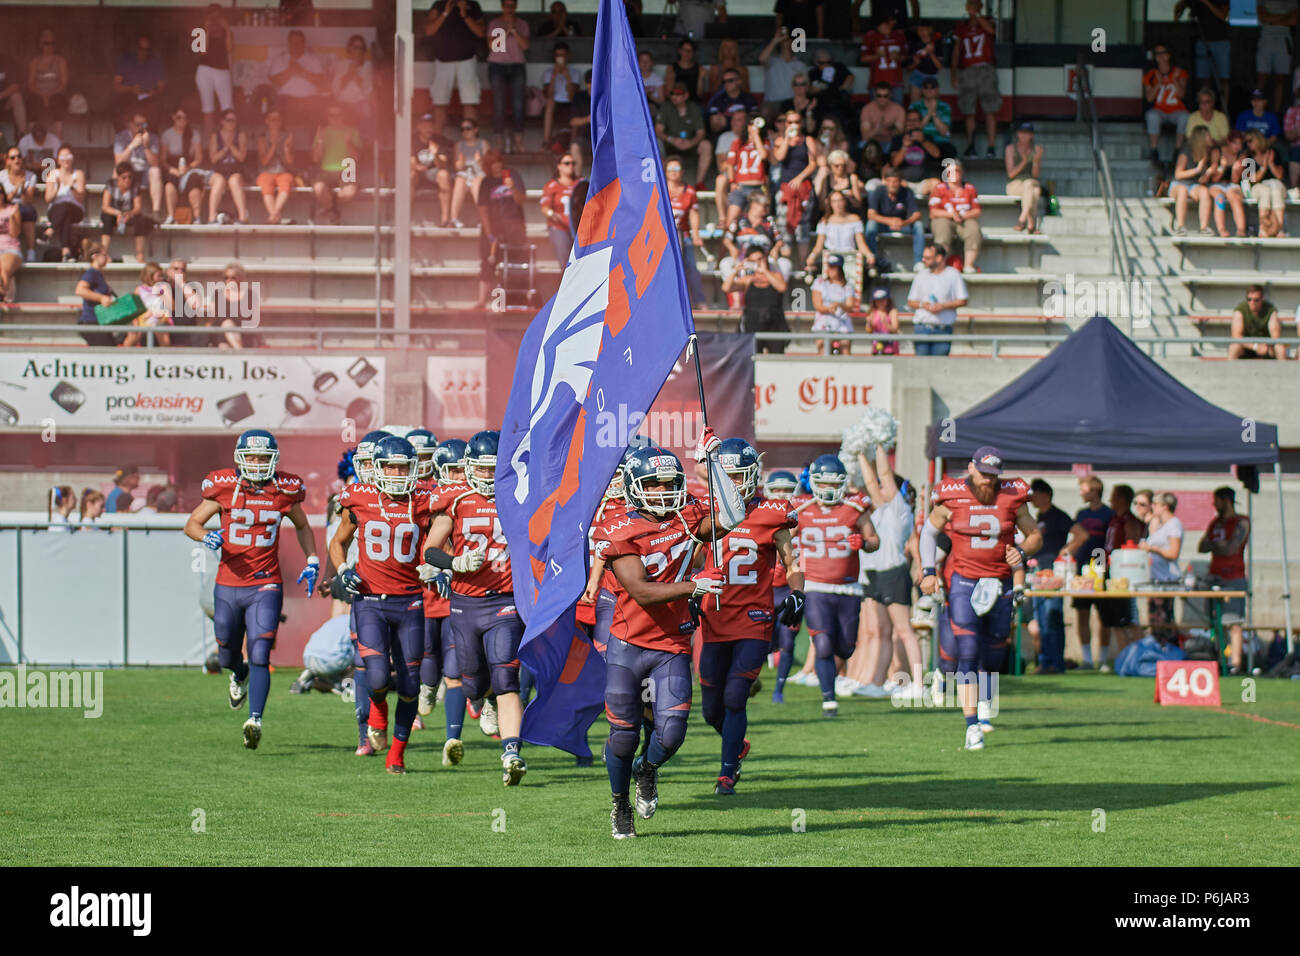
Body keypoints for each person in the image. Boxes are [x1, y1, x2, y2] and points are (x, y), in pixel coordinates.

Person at [599, 440, 735, 837]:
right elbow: (641, 591)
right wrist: (695, 586)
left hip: (671, 643)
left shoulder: (687, 514)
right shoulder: (619, 526)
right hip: (628, 643)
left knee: (672, 734)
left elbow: (732, 514)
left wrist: (713, 464)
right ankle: (620, 804)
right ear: (635, 486)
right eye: (654, 485)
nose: (663, 491)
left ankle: (647, 768)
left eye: (669, 483)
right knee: (623, 734)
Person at [421, 431, 528, 785]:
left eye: (492, 468)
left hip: (505, 599)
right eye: (481, 469)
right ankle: (488, 702)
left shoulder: (520, 495)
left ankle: (511, 752)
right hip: (466, 602)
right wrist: (455, 563)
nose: (486, 475)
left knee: (506, 677)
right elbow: (431, 550)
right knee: (472, 684)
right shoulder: (455, 498)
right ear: (468, 468)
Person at [698, 439, 803, 794]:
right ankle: (737, 744)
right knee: (710, 710)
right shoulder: (706, 514)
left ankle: (727, 774)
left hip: (754, 619)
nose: (733, 486)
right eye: (726, 478)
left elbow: (792, 562)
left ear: (753, 476)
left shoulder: (772, 511)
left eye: (738, 477)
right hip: (715, 617)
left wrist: (798, 592)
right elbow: (694, 560)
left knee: (735, 695)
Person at [920, 447, 1041, 749]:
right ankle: (972, 724)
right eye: (984, 474)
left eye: (993, 476)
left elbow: (1034, 534)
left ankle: (986, 703)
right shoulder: (951, 494)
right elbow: (928, 533)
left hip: (1000, 580)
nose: (988, 482)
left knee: (995, 648)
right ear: (971, 469)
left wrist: (1023, 551)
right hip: (962, 579)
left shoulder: (1013, 494)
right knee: (969, 649)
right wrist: (927, 570)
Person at [328, 436, 433, 773]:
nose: (398, 472)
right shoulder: (358, 498)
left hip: (410, 602)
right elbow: (338, 542)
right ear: (378, 467)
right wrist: (343, 570)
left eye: (404, 465)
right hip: (370, 600)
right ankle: (376, 713)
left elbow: (443, 533)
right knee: (375, 677)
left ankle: (397, 754)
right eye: (391, 465)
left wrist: (440, 567)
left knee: (410, 683)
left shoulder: (424, 501)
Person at [796, 454, 880, 717]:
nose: (829, 489)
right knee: (822, 643)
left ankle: (831, 680)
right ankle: (828, 699)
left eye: (834, 484)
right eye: (824, 483)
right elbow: (782, 538)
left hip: (848, 588)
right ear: (814, 482)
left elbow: (874, 539)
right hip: (815, 586)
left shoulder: (855, 507)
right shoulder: (800, 507)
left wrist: (863, 544)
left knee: (846, 647)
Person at [856, 444, 923, 698]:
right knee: (883, 632)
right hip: (876, 575)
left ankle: (917, 684)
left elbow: (882, 475)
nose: (879, 490)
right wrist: (858, 452)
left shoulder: (900, 509)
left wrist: (880, 445)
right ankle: (876, 682)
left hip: (894, 573)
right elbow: (871, 480)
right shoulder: (880, 509)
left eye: (886, 487)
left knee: (904, 631)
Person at [1198, 486, 1251, 673]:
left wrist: (1217, 546)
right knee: (1216, 622)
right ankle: (1220, 660)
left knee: (1233, 622)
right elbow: (1201, 546)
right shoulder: (1215, 523)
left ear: (1226, 500)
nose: (1214, 505)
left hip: (1233, 577)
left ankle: (1236, 663)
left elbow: (1231, 549)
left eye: (1217, 501)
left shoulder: (1241, 522)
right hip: (1214, 577)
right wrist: (1217, 545)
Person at [1063, 475, 1113, 669]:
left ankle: (1103, 659)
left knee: (1103, 617)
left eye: (1084, 489)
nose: (1081, 493)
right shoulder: (1081, 514)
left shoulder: (1108, 514)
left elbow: (1110, 542)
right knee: (1082, 614)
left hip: (1100, 566)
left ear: (1094, 491)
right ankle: (1087, 659)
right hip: (1082, 568)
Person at [1026, 479, 1073, 674]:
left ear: (1045, 495)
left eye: (1034, 493)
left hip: (1053, 574)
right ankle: (1045, 662)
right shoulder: (1038, 517)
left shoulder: (1058, 516)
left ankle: (1056, 662)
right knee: (1041, 619)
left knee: (1052, 617)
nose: (1031, 498)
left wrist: (1064, 552)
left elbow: (1081, 534)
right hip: (1038, 573)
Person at [1098, 484, 1146, 668]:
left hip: (1123, 576)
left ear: (1123, 499)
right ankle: (1124, 659)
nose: (1111, 500)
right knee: (1113, 621)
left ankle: (1134, 659)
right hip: (1109, 572)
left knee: (1127, 619)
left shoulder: (1130, 521)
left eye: (1114, 496)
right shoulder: (1114, 520)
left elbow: (1131, 547)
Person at [474, 150, 525, 309]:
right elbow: (482, 209)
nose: (497, 166)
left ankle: (509, 301)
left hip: (513, 225)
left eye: (498, 162)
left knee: (511, 264)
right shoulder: (486, 182)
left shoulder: (513, 175)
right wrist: (489, 234)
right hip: (493, 227)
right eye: (493, 163)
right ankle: (482, 301)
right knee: (487, 262)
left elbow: (521, 199)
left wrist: (513, 188)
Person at [952, 0, 1000, 158]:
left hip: (985, 69)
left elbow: (991, 31)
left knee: (990, 109)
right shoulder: (962, 26)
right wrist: (954, 73)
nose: (971, 7)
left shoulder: (987, 21)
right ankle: (970, 145)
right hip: (967, 70)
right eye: (969, 4)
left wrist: (977, 15)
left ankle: (991, 147)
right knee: (968, 110)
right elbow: (957, 50)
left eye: (975, 4)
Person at [805, 189, 875, 293]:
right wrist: (812, 256)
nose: (837, 204)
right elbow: (819, 246)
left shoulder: (855, 219)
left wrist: (869, 254)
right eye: (834, 201)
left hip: (850, 259)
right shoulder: (825, 221)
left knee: (853, 284)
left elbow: (861, 244)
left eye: (840, 201)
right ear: (830, 203)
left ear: (845, 202)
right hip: (831, 259)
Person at [772, 109, 820, 254]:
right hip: (785, 187)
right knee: (783, 223)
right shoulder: (780, 140)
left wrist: (800, 178)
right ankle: (785, 260)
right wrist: (787, 138)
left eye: (797, 121)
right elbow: (779, 157)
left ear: (802, 123)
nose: (794, 125)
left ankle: (802, 265)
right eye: (790, 122)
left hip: (803, 186)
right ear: (785, 124)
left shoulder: (808, 140)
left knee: (803, 227)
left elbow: (813, 163)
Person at [905, 242, 967, 355]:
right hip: (922, 328)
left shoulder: (953, 274)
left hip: (943, 329)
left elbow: (963, 300)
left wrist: (943, 306)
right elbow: (910, 301)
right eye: (923, 257)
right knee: (921, 368)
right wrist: (924, 305)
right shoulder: (920, 275)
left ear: (939, 258)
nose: (923, 260)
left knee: (938, 368)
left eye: (927, 258)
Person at [725, 244, 789, 352]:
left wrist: (765, 271)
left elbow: (782, 287)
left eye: (760, 259)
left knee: (776, 359)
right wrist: (736, 270)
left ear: (765, 258)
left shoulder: (776, 275)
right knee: (752, 359)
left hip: (774, 323)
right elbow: (727, 287)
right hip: (753, 323)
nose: (758, 262)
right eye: (754, 260)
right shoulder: (749, 279)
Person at [1139, 492, 1183, 642]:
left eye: (1156, 504)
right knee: (1155, 620)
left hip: (1166, 581)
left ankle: (1169, 653)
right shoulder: (1162, 525)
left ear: (1165, 506)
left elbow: (1173, 553)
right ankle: (1158, 652)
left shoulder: (1174, 525)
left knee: (1163, 620)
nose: (1152, 507)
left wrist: (1151, 549)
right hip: (1156, 580)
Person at [487, 0, 529, 154]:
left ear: (516, 6)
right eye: (507, 5)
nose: (509, 9)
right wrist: (507, 30)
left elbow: (525, 45)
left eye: (512, 6)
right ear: (502, 6)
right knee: (499, 105)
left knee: (518, 105)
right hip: (497, 66)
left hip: (517, 65)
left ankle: (518, 142)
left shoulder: (522, 24)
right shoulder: (495, 23)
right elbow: (493, 45)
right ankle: (498, 142)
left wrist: (515, 30)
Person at [665, 156, 707, 308]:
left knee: (691, 267)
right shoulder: (660, 189)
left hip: (683, 234)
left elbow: (694, 214)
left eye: (676, 169)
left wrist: (696, 234)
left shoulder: (689, 191)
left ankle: (699, 301)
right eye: (670, 169)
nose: (673, 173)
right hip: (663, 237)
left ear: (682, 172)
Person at [1174, 0, 1231, 111]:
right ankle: (1205, 109)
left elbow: (1223, 15)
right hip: (1202, 41)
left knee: (1224, 79)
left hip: (1221, 41)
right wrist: (1176, 18)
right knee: (1204, 80)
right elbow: (1179, 6)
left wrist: (1206, 2)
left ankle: (1225, 111)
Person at [310, 105, 361, 226]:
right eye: (332, 115)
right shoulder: (322, 132)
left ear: (344, 116)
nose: (335, 118)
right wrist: (321, 140)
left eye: (338, 115)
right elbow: (315, 158)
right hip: (325, 171)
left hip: (347, 168)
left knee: (348, 193)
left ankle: (329, 208)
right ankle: (333, 211)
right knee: (319, 189)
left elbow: (356, 158)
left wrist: (349, 143)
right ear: (327, 117)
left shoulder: (352, 131)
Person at [929, 159, 982, 273]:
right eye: (950, 171)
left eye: (957, 170)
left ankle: (968, 265)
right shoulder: (939, 188)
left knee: (973, 230)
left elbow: (977, 210)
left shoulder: (969, 188)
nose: (954, 174)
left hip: (964, 218)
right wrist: (951, 214)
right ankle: (940, 265)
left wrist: (964, 215)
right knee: (942, 230)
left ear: (962, 172)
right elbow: (933, 212)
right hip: (944, 217)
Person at [866, 166, 924, 270]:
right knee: (871, 225)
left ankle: (918, 262)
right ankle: (872, 260)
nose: (892, 185)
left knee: (918, 225)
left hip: (901, 225)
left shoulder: (906, 192)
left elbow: (917, 214)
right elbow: (871, 214)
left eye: (895, 182)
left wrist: (904, 222)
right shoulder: (878, 191)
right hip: (883, 224)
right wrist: (890, 221)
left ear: (900, 182)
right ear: (885, 181)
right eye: (889, 181)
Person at [269, 29, 328, 128]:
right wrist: (289, 71)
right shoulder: (280, 59)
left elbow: (321, 81)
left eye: (298, 42)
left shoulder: (313, 59)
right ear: (288, 44)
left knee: (318, 106)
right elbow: (274, 82)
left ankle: (314, 141)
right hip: (286, 99)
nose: (295, 45)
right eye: (292, 42)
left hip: (310, 99)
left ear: (304, 43)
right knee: (279, 104)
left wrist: (302, 72)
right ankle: (283, 139)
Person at [656, 84, 712, 187]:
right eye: (672, 94)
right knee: (656, 144)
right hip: (670, 144)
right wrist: (671, 140)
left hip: (689, 143)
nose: (674, 96)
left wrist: (691, 143)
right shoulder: (666, 107)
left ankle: (699, 183)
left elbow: (701, 133)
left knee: (706, 145)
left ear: (686, 96)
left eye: (678, 94)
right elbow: (658, 131)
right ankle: (662, 184)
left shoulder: (694, 108)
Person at [113, 111, 164, 222]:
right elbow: (118, 163)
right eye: (138, 124)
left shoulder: (152, 137)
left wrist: (146, 147)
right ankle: (116, 209)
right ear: (130, 124)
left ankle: (156, 211)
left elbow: (155, 163)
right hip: (129, 173)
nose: (141, 127)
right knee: (115, 172)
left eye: (144, 125)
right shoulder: (120, 137)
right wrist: (132, 146)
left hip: (146, 173)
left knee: (156, 171)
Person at [160, 108, 209, 225]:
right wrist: (172, 169)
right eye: (179, 117)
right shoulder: (167, 134)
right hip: (172, 167)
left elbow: (198, 158)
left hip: (189, 166)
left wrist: (188, 168)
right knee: (169, 181)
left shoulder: (193, 133)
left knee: (194, 180)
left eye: (185, 118)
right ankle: (171, 216)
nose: (182, 121)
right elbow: (162, 159)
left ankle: (197, 217)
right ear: (173, 117)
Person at [1144, 45, 1189, 163]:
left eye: (1163, 53)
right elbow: (1149, 98)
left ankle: (1178, 150)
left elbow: (1182, 94)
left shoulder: (1179, 72)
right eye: (1157, 54)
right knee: (1151, 115)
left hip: (1176, 110)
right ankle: (1154, 150)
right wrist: (1158, 83)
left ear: (1169, 55)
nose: (1161, 56)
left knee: (1185, 116)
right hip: (1159, 111)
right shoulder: (1151, 74)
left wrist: (1174, 80)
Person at [1169, 126, 1217, 236]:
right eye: (1208, 135)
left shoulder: (1207, 152)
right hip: (1179, 184)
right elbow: (1178, 174)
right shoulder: (1186, 150)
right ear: (1202, 137)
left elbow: (1202, 179)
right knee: (1182, 191)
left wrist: (1207, 173)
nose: (1211, 138)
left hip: (1194, 185)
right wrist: (1197, 170)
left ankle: (1204, 228)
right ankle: (1180, 226)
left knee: (1204, 192)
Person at [195, 5, 235, 137]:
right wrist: (206, 29)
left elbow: (230, 50)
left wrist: (227, 29)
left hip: (222, 70)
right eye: (212, 15)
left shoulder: (226, 30)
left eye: (217, 15)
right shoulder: (200, 30)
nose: (215, 19)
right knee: (208, 106)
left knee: (227, 106)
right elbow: (203, 51)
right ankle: (211, 137)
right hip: (205, 70)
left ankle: (227, 136)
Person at [101, 164, 153, 263]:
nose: (127, 180)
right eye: (124, 177)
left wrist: (129, 214)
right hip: (113, 214)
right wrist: (118, 213)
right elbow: (105, 207)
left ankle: (140, 254)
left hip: (129, 215)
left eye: (130, 177)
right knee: (106, 218)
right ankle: (104, 253)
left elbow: (137, 208)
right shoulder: (111, 184)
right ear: (118, 177)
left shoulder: (135, 186)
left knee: (140, 220)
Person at [112, 33, 166, 127]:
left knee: (157, 106)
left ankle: (150, 138)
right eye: (141, 48)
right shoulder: (125, 60)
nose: (143, 52)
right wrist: (130, 89)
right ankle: (124, 138)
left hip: (148, 99)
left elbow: (161, 87)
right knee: (118, 106)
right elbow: (116, 86)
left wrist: (154, 92)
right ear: (136, 48)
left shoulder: (156, 61)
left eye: (146, 50)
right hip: (128, 97)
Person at [887, 109, 943, 198]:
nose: (912, 123)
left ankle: (934, 211)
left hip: (923, 183)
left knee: (936, 183)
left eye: (915, 120)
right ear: (905, 122)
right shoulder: (898, 139)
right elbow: (894, 163)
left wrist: (923, 141)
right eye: (909, 120)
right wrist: (904, 146)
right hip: (903, 182)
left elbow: (936, 154)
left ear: (921, 123)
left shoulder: (927, 137)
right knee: (894, 183)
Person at [1242, 130, 1287, 237]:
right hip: (1257, 187)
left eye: (1250, 141)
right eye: (1246, 142)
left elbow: (1280, 175)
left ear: (1258, 139)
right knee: (1265, 191)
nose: (1248, 144)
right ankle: (1263, 229)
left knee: (1276, 190)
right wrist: (1263, 167)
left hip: (1275, 184)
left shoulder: (1273, 152)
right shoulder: (1248, 156)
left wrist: (1271, 164)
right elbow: (1251, 179)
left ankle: (1280, 229)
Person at [810, 253, 857, 354]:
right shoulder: (819, 282)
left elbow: (850, 306)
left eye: (833, 267)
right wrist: (828, 309)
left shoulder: (848, 285)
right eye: (829, 266)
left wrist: (839, 305)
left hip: (842, 322)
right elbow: (817, 304)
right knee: (823, 352)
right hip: (824, 322)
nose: (830, 269)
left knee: (846, 352)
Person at [208, 109, 250, 225]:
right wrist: (225, 147)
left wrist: (231, 145)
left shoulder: (241, 135)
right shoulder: (215, 136)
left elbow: (242, 157)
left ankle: (242, 217)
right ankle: (211, 217)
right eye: (228, 120)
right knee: (219, 181)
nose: (231, 123)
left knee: (234, 181)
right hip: (219, 170)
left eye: (234, 121)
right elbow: (213, 159)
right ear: (222, 121)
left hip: (236, 170)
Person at [411, 112, 454, 225]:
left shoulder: (440, 140)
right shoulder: (412, 140)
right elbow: (411, 163)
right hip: (418, 173)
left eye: (430, 126)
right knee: (410, 175)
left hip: (433, 173)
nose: (428, 129)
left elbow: (443, 165)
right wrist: (418, 168)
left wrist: (435, 154)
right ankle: (406, 215)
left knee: (444, 175)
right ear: (418, 127)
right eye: (425, 126)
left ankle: (445, 219)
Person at [44, 145, 85, 261]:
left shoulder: (79, 174)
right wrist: (57, 187)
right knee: (65, 213)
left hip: (76, 210)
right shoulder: (52, 174)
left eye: (68, 156)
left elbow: (81, 198)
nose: (66, 159)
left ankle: (50, 230)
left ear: (73, 158)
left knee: (67, 205)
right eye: (62, 156)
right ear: (57, 159)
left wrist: (72, 187)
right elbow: (48, 198)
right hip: (56, 211)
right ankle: (66, 251)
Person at [255, 109, 295, 225]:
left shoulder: (287, 136)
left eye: (278, 119)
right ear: (267, 121)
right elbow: (264, 162)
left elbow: (291, 162)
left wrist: (287, 149)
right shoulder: (262, 138)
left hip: (284, 171)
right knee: (266, 184)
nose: (275, 122)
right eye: (272, 119)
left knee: (286, 183)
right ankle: (276, 216)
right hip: (266, 171)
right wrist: (273, 145)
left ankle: (273, 215)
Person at [27, 28, 68, 138]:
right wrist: (42, 95)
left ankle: (59, 136)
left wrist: (50, 94)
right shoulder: (35, 61)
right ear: (41, 44)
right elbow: (30, 84)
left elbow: (64, 83)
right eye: (46, 43)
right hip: (38, 94)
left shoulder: (60, 61)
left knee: (60, 101)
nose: (49, 46)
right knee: (31, 101)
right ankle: (32, 136)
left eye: (52, 43)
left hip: (55, 93)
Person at [1257, 1, 1297, 114]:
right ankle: (1258, 109)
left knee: (1280, 79)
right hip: (1266, 37)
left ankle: (1276, 113)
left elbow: (1293, 20)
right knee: (1261, 76)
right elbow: (1261, 16)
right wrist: (1283, 17)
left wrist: (1271, 19)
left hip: (1284, 39)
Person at [448, 116, 487, 228]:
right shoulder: (459, 145)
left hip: (479, 173)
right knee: (459, 182)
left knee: (477, 184)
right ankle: (454, 218)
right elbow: (457, 167)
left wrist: (480, 161)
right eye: (463, 129)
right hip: (465, 173)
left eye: (468, 128)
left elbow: (488, 166)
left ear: (475, 129)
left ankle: (483, 219)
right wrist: (460, 162)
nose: (465, 131)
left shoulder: (483, 144)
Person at [858, 13, 907, 103]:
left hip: (896, 81)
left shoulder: (899, 35)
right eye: (887, 24)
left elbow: (906, 57)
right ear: (879, 25)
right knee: (877, 110)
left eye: (892, 22)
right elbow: (863, 59)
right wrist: (877, 56)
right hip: (877, 81)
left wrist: (898, 57)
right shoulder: (871, 36)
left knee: (897, 109)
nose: (890, 25)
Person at [1004, 121, 1044, 233]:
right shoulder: (1010, 149)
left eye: (1027, 132)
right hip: (1015, 184)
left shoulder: (1037, 150)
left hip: (1031, 181)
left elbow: (1036, 175)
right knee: (1034, 192)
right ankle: (1031, 224)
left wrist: (1035, 161)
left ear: (1031, 135)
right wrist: (1024, 161)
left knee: (1030, 184)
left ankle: (1022, 219)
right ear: (1017, 133)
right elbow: (1011, 174)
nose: (1024, 135)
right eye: (1022, 132)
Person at [122, 260, 172, 347]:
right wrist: (136, 323)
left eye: (161, 276)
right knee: (133, 334)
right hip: (143, 318)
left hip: (160, 317)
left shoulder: (163, 287)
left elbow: (171, 306)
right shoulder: (139, 289)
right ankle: (124, 356)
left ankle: (165, 357)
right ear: (150, 275)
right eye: (159, 276)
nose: (161, 278)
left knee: (162, 334)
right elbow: (135, 309)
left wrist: (162, 295)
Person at [75, 240, 115, 346]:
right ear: (95, 256)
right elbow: (80, 290)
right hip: (91, 321)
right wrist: (101, 298)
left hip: (100, 321)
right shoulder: (91, 273)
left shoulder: (98, 274)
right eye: (105, 255)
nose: (108, 258)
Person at [0, 147, 37, 263]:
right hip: (5, 207)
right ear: (8, 161)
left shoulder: (31, 176)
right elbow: (3, 200)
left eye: (19, 156)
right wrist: (16, 189)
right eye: (13, 157)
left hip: (22, 206)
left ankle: (31, 251)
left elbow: (28, 200)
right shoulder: (1, 176)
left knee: (28, 211)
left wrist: (22, 188)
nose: (17, 160)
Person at [1229, 285, 1287, 359]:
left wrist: (1266, 346)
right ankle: (1229, 370)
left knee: (1280, 348)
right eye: (1249, 299)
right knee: (1234, 347)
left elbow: (1275, 336)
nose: (1252, 302)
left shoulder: (1270, 310)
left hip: (1266, 346)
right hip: (1246, 347)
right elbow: (1236, 337)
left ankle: (1283, 370)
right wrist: (1255, 346)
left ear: (1262, 299)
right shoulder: (1240, 310)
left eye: (1256, 300)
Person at [1209, 129, 1247, 236]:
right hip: (1217, 184)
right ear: (1228, 142)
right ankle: (1222, 230)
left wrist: (1236, 170)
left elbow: (1235, 181)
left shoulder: (1241, 155)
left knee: (1234, 197)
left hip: (1233, 185)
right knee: (1219, 198)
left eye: (1240, 144)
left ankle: (1241, 230)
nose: (1238, 147)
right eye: (1235, 143)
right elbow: (1214, 179)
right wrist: (1222, 167)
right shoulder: (1217, 152)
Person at [540, 156, 577, 264]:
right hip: (559, 226)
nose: (570, 166)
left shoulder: (579, 184)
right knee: (565, 262)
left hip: (577, 228)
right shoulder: (552, 185)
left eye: (573, 163)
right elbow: (545, 207)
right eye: (567, 163)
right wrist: (553, 215)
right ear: (559, 166)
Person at [541, 41, 578, 149]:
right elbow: (549, 94)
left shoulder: (574, 72)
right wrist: (554, 75)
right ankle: (546, 141)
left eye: (562, 55)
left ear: (567, 56)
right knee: (550, 102)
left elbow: (572, 96)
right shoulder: (549, 72)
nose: (560, 58)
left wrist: (567, 77)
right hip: (555, 105)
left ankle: (573, 144)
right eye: (558, 55)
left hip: (569, 104)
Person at [332, 34, 374, 129]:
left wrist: (356, 74)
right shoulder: (341, 64)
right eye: (355, 47)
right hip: (343, 107)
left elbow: (368, 90)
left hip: (361, 108)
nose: (358, 51)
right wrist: (349, 74)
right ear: (349, 48)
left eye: (361, 48)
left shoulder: (368, 66)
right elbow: (336, 90)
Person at [706, 69, 759, 134]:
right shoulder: (717, 99)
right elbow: (714, 125)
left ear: (739, 81)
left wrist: (727, 121)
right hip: (723, 134)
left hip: (744, 134)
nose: (726, 84)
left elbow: (754, 119)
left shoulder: (749, 99)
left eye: (730, 80)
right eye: (724, 81)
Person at [859, 80, 907, 151]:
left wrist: (890, 129)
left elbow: (901, 134)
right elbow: (865, 137)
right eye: (879, 95)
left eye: (885, 96)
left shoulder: (899, 109)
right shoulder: (867, 109)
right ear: (875, 95)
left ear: (890, 95)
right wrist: (877, 129)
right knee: (861, 145)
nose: (882, 99)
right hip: (872, 142)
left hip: (891, 142)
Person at [905, 22, 945, 103]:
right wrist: (915, 64)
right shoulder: (914, 44)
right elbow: (908, 68)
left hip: (932, 76)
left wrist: (931, 53)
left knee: (933, 105)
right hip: (917, 75)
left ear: (930, 30)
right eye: (919, 30)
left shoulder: (937, 44)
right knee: (915, 104)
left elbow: (940, 67)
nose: (922, 33)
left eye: (924, 30)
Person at [909, 75, 953, 146]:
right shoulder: (914, 106)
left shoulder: (945, 107)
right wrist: (929, 114)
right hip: (920, 141)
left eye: (932, 88)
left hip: (941, 142)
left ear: (937, 90)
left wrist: (934, 114)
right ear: (922, 90)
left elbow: (944, 132)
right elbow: (914, 130)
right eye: (926, 87)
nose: (929, 90)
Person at [663, 39, 706, 105]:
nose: (687, 53)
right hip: (676, 103)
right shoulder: (672, 68)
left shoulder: (699, 68)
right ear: (679, 51)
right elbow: (668, 93)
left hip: (694, 104)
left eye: (690, 51)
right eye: (685, 50)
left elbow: (700, 95)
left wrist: (700, 79)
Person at [0, 51, 26, 146]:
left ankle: (22, 135)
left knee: (17, 97)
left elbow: (15, 86)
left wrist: (1, 95)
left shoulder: (6, 61)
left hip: (4, 100)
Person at [865, 286, 899, 354]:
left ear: (888, 300)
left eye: (883, 300)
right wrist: (869, 323)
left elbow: (895, 329)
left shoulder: (892, 311)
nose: (880, 302)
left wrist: (886, 323)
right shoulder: (872, 312)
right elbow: (869, 330)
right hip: (876, 347)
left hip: (890, 347)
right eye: (878, 300)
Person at [0, 195, 20, 302]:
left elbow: (15, 233)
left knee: (4, 269)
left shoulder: (12, 209)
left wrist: (11, 217)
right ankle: (4, 294)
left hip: (10, 247)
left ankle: (3, 293)